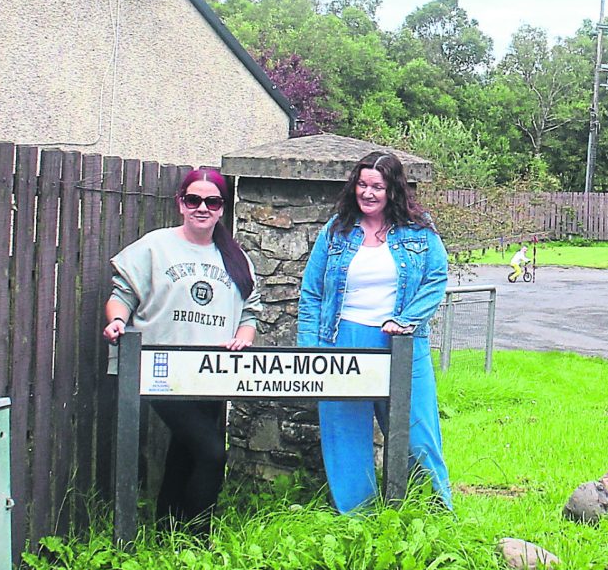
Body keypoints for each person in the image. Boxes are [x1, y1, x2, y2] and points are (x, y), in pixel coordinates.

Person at [103, 169, 261, 530]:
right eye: (194, 200)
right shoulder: (154, 246)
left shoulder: (236, 257)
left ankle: (167, 528)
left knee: (185, 452)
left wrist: (244, 338)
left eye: (212, 201)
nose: (202, 208)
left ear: (222, 208)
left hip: (214, 372)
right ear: (181, 203)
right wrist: (116, 322)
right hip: (162, 369)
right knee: (211, 452)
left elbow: (250, 312)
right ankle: (197, 534)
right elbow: (122, 295)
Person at [297, 151, 453, 513]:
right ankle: (358, 517)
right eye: (362, 185)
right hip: (341, 341)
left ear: (393, 190)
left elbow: (435, 278)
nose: (368, 193)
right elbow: (312, 291)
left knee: (418, 433)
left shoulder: (419, 229)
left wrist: (408, 319)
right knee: (345, 437)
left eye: (377, 186)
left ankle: (435, 511)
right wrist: (310, 349)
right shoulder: (335, 231)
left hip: (400, 342)